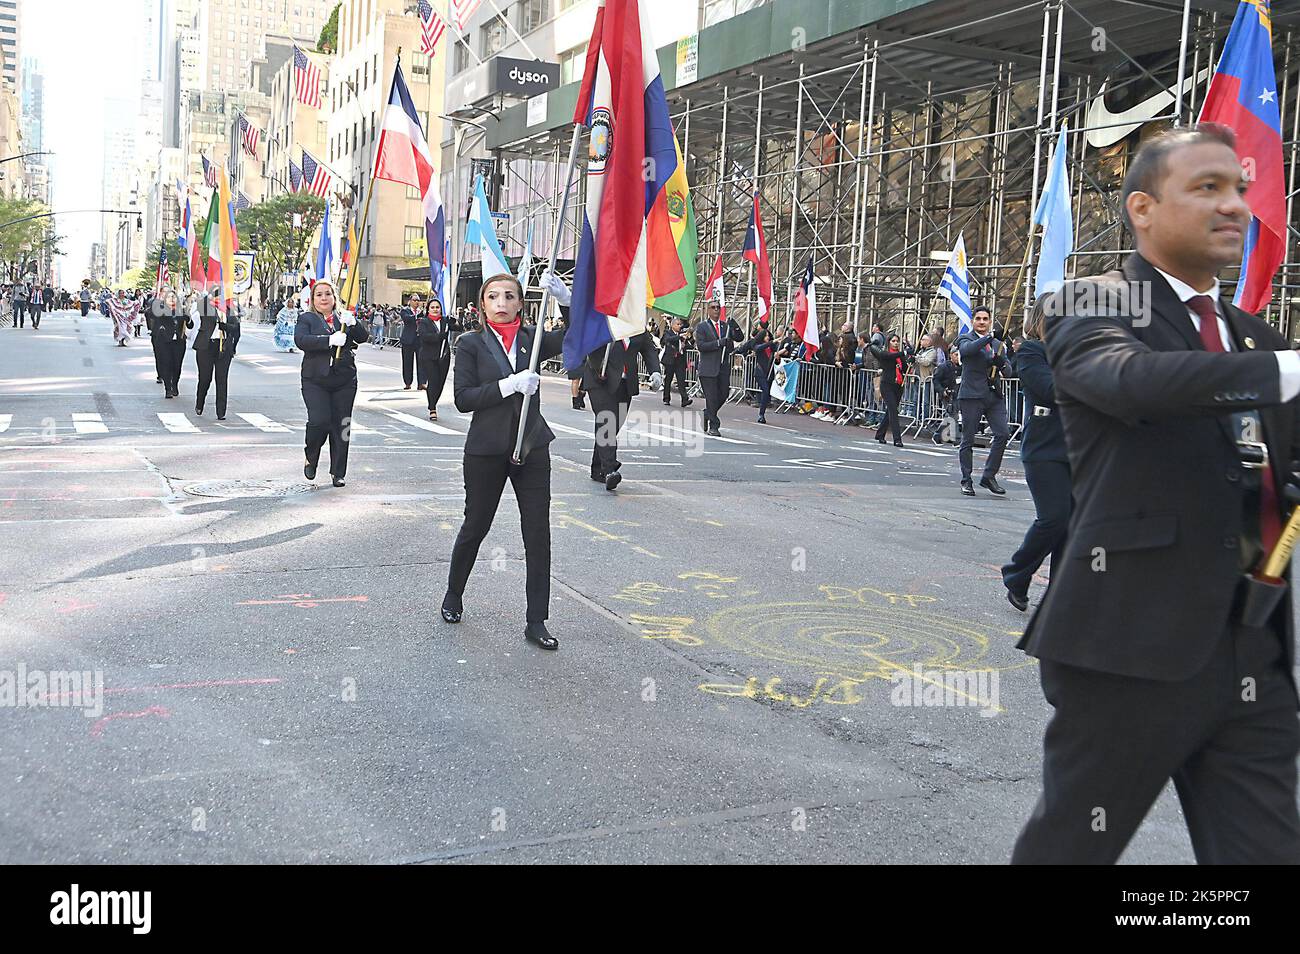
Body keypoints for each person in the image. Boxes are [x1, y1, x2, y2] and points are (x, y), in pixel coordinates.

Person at [1013, 123, 1300, 864]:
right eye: (1207, 188)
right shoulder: (1093, 302)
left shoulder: (1255, 339)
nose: (1235, 204)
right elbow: (1131, 383)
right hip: (1129, 646)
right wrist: (1290, 373)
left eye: (1239, 188)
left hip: (1256, 650)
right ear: (1142, 208)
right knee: (1071, 849)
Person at [442, 271, 568, 650]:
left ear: (520, 303)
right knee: (476, 525)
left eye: (509, 296)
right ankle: (453, 594)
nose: (501, 303)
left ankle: (536, 620)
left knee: (537, 533)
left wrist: (565, 300)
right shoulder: (470, 344)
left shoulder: (534, 339)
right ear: (482, 304)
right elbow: (463, 399)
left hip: (531, 447)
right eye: (493, 296)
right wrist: (508, 385)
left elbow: (579, 339)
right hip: (487, 449)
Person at [1001, 296, 1070, 612]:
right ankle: (1017, 573)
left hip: (1080, 449)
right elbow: (1052, 389)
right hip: (1044, 449)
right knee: (1054, 517)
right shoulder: (1031, 351)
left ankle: (1061, 594)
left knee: (1073, 525)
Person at [295, 281, 368, 486]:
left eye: (328, 294)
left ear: (334, 297)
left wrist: (354, 323)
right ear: (313, 298)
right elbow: (301, 340)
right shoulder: (306, 318)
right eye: (319, 295)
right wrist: (328, 340)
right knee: (319, 421)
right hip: (315, 379)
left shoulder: (342, 318)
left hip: (344, 379)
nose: (324, 298)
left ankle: (338, 472)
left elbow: (363, 337)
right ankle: (311, 456)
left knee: (342, 425)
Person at [580, 326, 663, 491]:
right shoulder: (603, 320)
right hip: (600, 379)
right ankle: (610, 469)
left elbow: (648, 349)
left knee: (614, 425)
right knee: (606, 422)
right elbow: (588, 344)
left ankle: (598, 469)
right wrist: (598, 364)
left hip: (625, 384)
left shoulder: (637, 325)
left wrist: (655, 372)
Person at [955, 305, 1011, 496]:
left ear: (989, 321)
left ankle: (988, 476)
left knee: (1003, 433)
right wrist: (990, 337)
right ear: (973, 321)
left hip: (993, 395)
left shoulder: (998, 344)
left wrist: (1001, 362)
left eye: (985, 319)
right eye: (978, 319)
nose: (981, 322)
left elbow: (1009, 371)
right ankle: (966, 479)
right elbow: (968, 351)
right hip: (971, 395)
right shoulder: (965, 338)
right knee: (968, 439)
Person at [694, 297, 742, 436]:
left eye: (718, 307)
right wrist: (718, 343)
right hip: (708, 369)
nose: (716, 310)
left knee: (723, 394)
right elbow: (701, 346)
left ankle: (707, 413)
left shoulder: (725, 327)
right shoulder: (702, 327)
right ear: (708, 310)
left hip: (723, 368)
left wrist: (735, 325)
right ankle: (714, 426)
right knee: (711, 397)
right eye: (713, 307)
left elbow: (739, 337)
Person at [194, 292, 241, 420]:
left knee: (221, 380)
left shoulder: (228, 310)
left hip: (223, 347)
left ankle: (221, 411)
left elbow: (235, 327)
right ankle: (199, 403)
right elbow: (200, 303)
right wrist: (210, 291)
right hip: (206, 346)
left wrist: (224, 326)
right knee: (205, 378)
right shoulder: (206, 307)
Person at [872, 332, 912, 446]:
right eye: (893, 341)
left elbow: (904, 368)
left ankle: (880, 434)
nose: (895, 343)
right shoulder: (885, 353)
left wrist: (910, 361)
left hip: (898, 385)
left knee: (890, 411)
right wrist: (904, 352)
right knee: (894, 411)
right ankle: (897, 439)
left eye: (897, 341)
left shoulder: (900, 356)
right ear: (888, 342)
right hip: (887, 385)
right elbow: (889, 357)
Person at [417, 297, 452, 421]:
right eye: (432, 307)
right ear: (428, 309)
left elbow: (459, 327)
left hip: (443, 356)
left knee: (440, 383)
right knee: (433, 381)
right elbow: (425, 337)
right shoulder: (424, 322)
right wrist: (440, 336)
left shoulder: (445, 321)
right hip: (429, 357)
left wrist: (454, 322)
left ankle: (433, 401)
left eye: (437, 307)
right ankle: (432, 408)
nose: (435, 309)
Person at [738, 322, 779, 424]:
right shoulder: (758, 345)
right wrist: (772, 342)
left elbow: (776, 359)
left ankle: (762, 412)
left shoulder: (772, 347)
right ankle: (761, 414)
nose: (768, 338)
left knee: (767, 393)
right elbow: (758, 349)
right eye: (766, 336)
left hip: (769, 372)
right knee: (765, 390)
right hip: (760, 372)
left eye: (769, 336)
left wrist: (777, 357)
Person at [149, 290, 185, 397]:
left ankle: (175, 384)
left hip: (178, 342)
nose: (172, 299)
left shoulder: (181, 310)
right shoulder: (161, 309)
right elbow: (151, 315)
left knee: (177, 365)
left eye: (174, 297)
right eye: (169, 297)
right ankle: (168, 388)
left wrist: (187, 318)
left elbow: (190, 325)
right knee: (166, 364)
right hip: (164, 341)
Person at [659, 316, 693, 408]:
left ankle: (684, 399)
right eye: (677, 324)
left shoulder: (682, 335)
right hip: (670, 360)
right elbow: (667, 340)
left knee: (681, 380)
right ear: (672, 325)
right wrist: (679, 337)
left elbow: (688, 345)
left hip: (680, 360)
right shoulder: (668, 333)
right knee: (668, 380)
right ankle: (666, 398)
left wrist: (689, 340)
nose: (679, 326)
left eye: (680, 324)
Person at [399, 294, 425, 390]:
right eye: (414, 300)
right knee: (407, 362)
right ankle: (408, 382)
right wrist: (417, 316)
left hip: (420, 340)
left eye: (418, 300)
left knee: (422, 362)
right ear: (410, 301)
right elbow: (407, 319)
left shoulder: (422, 312)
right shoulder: (405, 310)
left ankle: (422, 383)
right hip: (408, 340)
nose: (416, 302)